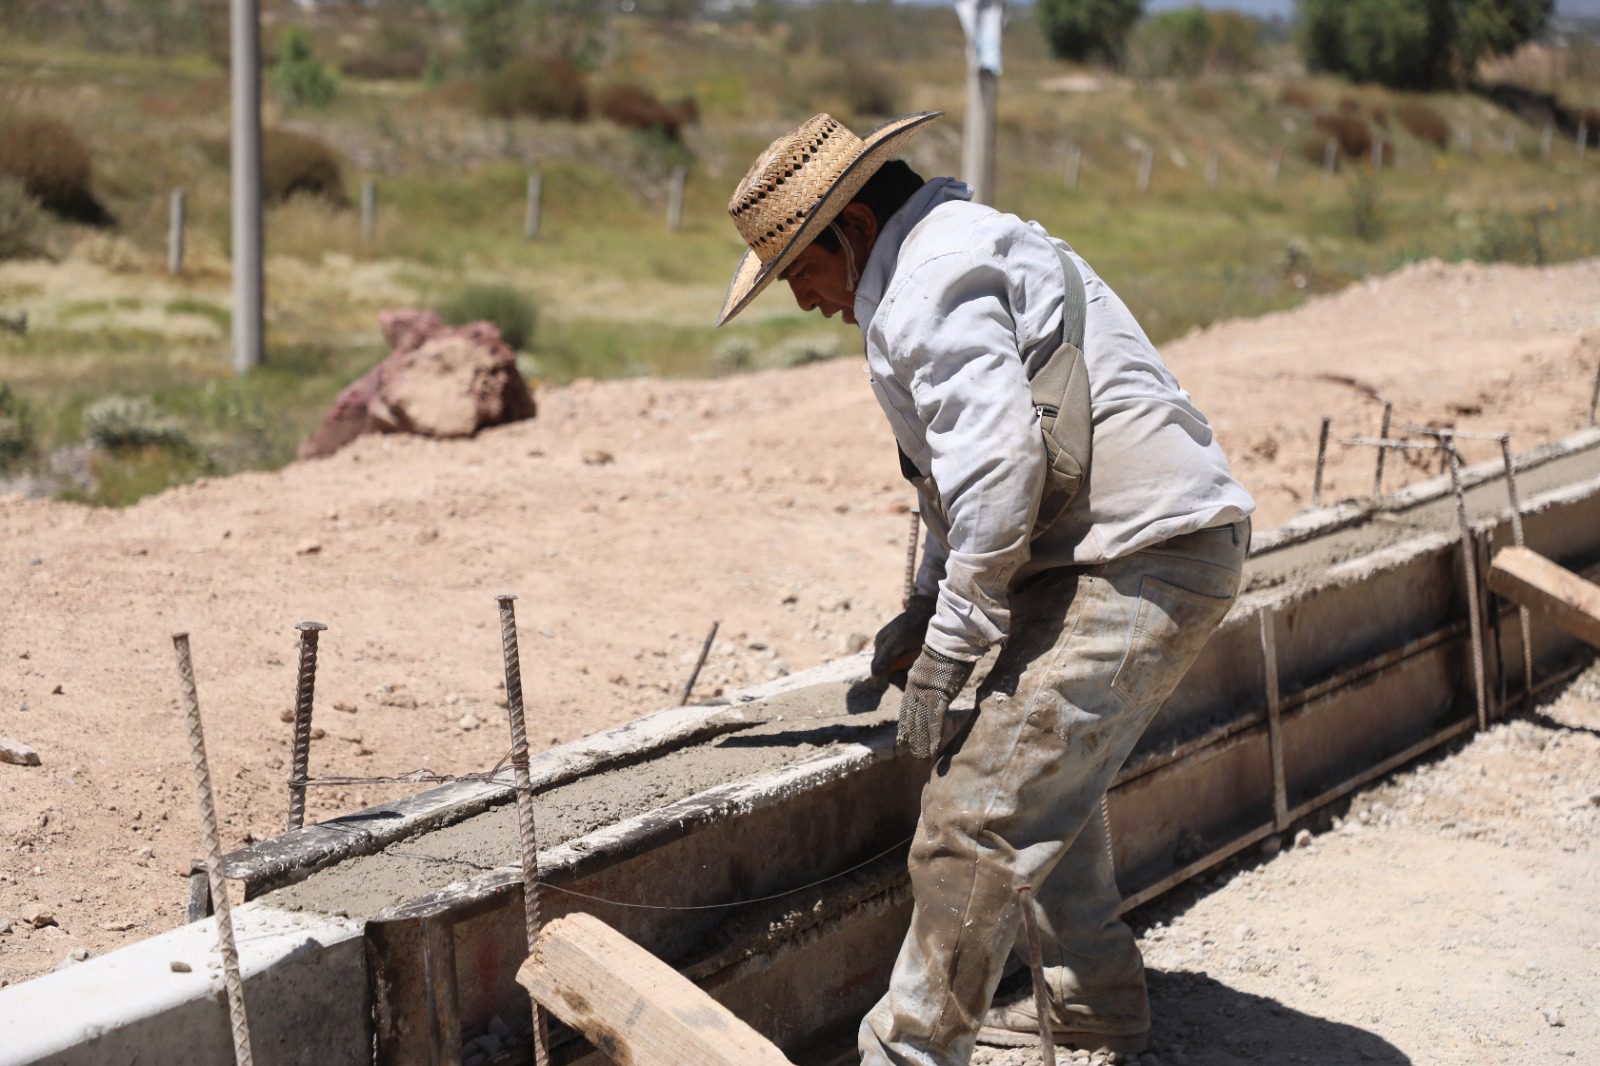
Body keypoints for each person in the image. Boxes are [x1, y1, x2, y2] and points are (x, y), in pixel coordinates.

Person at [717, 112, 1254, 1066]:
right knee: (1042, 784)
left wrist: (952, 647)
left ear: (848, 229)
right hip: (1137, 546)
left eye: (802, 273)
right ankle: (1095, 999)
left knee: (971, 821)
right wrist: (927, 607)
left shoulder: (925, 283)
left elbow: (1001, 463)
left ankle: (911, 1051)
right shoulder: (948, 252)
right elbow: (965, 474)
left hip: (1139, 555)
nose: (807, 302)